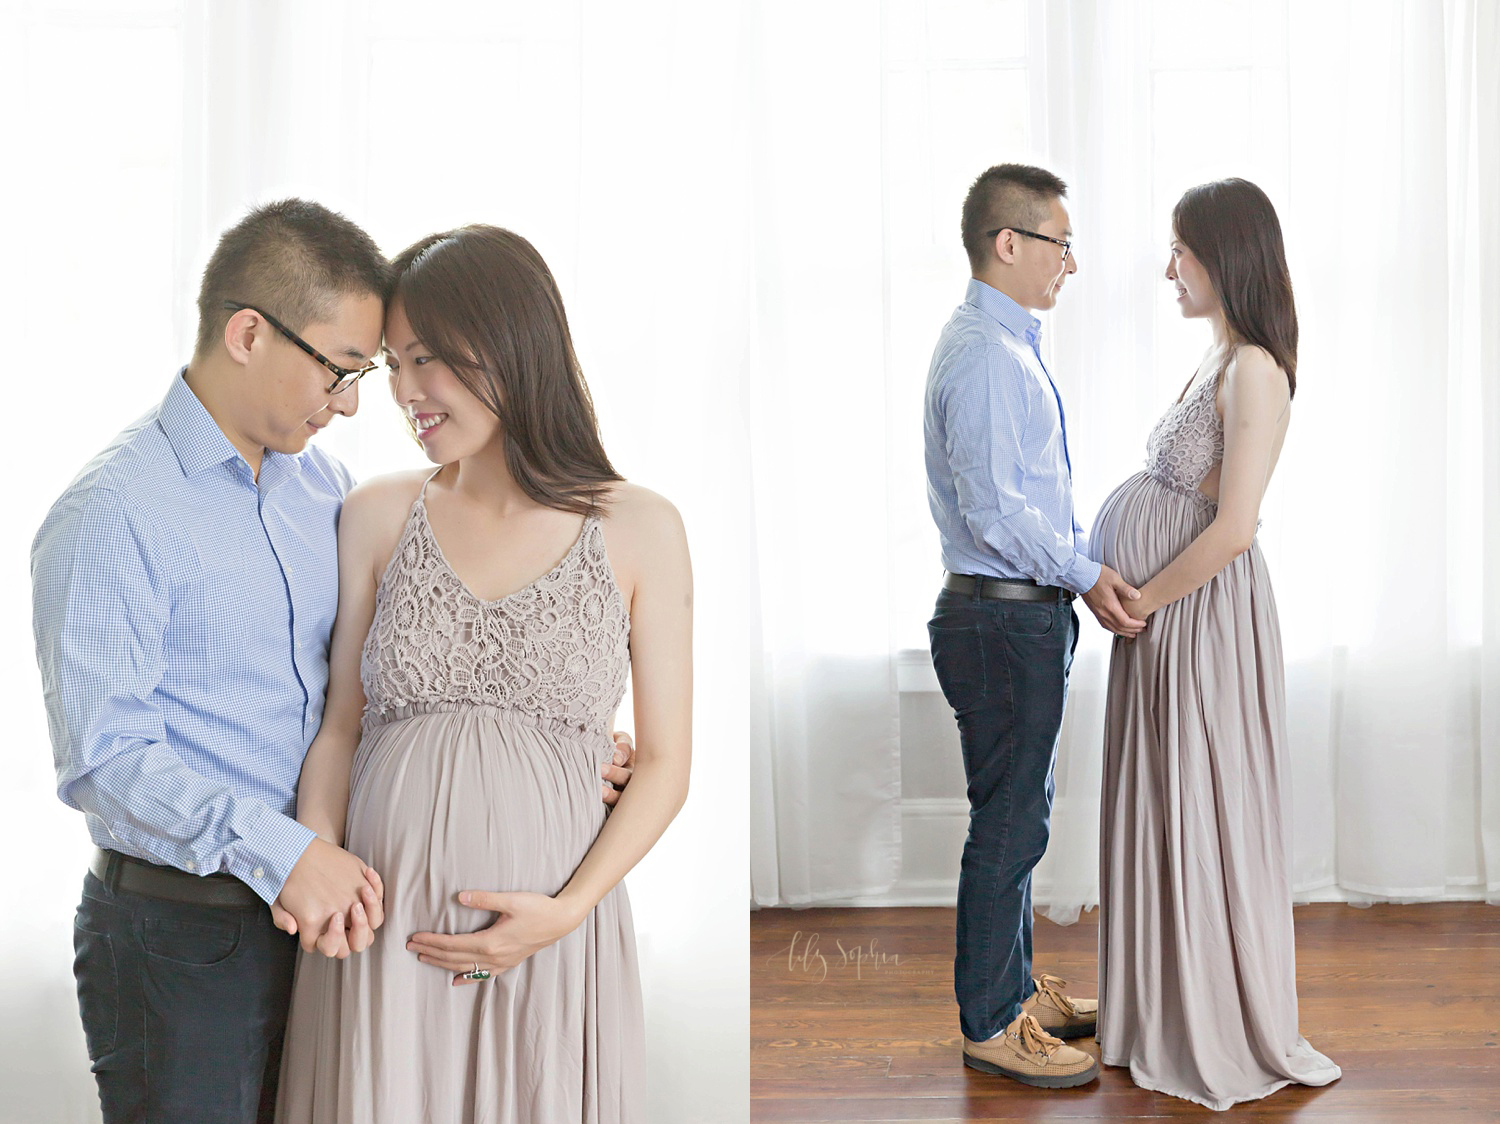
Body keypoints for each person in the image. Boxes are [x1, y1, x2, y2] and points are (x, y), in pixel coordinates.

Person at [31, 201, 639, 1124]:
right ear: (248, 333)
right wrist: (287, 854)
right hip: (186, 934)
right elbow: (104, 763)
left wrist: (552, 745)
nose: (358, 401)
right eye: (346, 369)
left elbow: (384, 685)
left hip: (344, 924)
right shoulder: (113, 513)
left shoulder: (324, 491)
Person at [274, 225, 692, 1123]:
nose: (403, 392)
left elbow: (663, 763)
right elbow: (340, 724)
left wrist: (567, 910)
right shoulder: (378, 513)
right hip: (379, 935)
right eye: (392, 363)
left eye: (425, 359)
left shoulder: (640, 526)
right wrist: (319, 852)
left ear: (509, 343)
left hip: (549, 941)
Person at [1090, 178, 1341, 1110]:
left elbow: (1235, 525)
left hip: (1195, 617)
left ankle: (1213, 1016)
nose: (1168, 270)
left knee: (1201, 801)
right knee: (1164, 799)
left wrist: (1143, 599)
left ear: (1225, 255)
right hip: (1164, 617)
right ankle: (1160, 1004)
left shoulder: (1255, 371)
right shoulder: (1217, 358)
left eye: (1180, 253)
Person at [922, 163, 1145, 1088]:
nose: (1072, 263)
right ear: (1007, 244)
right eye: (1060, 242)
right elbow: (994, 513)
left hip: (1019, 617)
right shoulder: (982, 355)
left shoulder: (1007, 345)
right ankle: (990, 1023)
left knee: (1021, 816)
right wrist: (1087, 573)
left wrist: (1081, 565)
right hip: (999, 621)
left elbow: (1034, 502)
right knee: (1008, 825)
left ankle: (1013, 992)